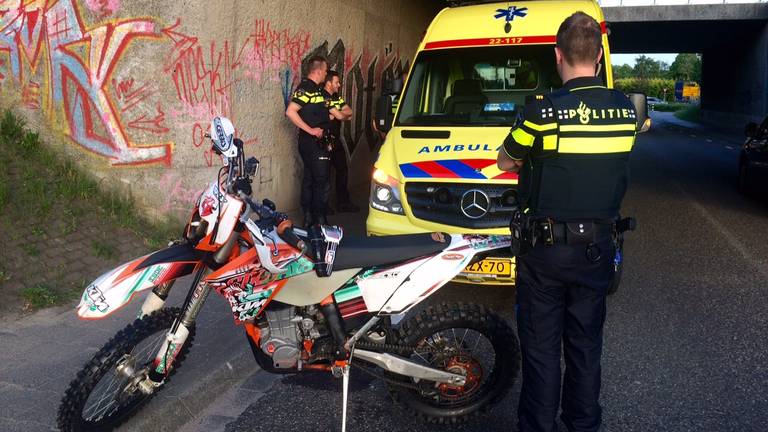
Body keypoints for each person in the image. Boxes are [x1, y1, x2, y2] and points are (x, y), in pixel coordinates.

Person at [497, 12, 638, 432]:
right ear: (597, 58)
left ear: (557, 55)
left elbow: (507, 158)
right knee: (585, 346)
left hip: (545, 254)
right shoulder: (626, 113)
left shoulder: (543, 112)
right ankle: (582, 424)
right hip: (597, 251)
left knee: (541, 351)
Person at [285, 56, 331, 226]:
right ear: (318, 71)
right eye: (325, 71)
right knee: (320, 179)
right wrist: (311, 130)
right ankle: (318, 219)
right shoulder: (306, 88)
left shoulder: (316, 90)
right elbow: (291, 111)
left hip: (316, 142)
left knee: (310, 178)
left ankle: (309, 217)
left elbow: (315, 112)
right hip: (313, 143)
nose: (326, 74)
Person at [322, 70, 360, 213]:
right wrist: (340, 115)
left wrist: (338, 115)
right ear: (329, 83)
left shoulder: (336, 97)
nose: (339, 85)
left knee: (342, 170)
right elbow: (343, 114)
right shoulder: (322, 97)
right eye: (337, 82)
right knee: (324, 174)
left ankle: (343, 203)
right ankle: (323, 206)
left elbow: (349, 112)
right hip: (324, 141)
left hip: (336, 140)